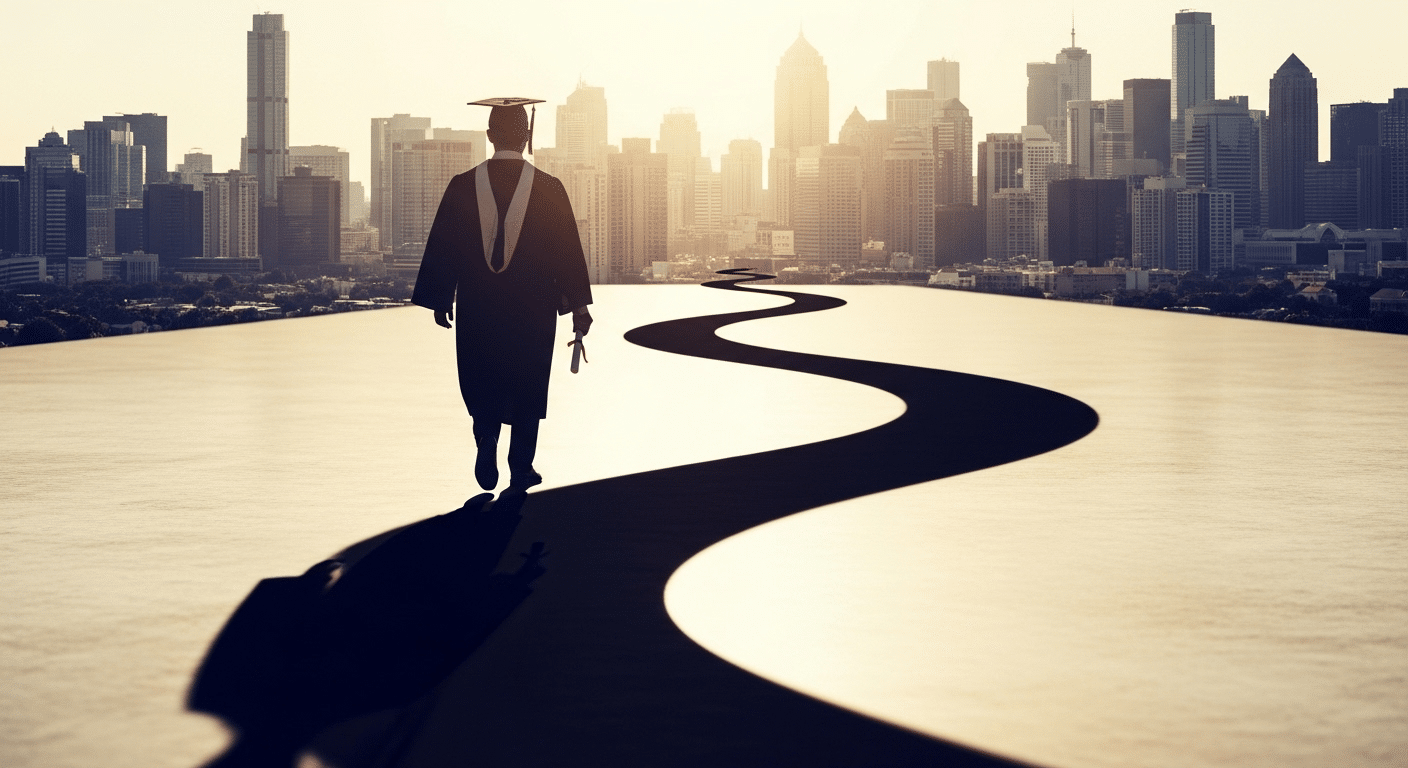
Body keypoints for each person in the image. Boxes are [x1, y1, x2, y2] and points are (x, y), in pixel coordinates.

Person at [412, 98, 593, 492]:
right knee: (528, 380)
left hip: (479, 307)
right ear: (526, 136)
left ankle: (486, 436)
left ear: (490, 135)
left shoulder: (462, 185)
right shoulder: (549, 188)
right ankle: (520, 467)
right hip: (533, 310)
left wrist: (441, 298)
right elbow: (567, 251)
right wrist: (579, 306)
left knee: (483, 374)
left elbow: (443, 246)